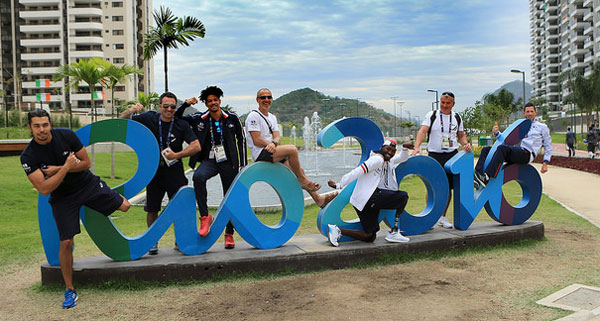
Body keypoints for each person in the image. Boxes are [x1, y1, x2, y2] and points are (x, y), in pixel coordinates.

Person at [21, 109, 131, 309]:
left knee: (125, 206)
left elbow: (86, 163)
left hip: (87, 185)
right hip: (62, 197)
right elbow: (45, 189)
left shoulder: (67, 136)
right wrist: (64, 167)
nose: (42, 130)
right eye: (36, 126)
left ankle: (109, 192)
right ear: (29, 128)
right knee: (66, 242)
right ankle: (70, 289)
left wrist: (57, 169)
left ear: (50, 124)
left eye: (45, 125)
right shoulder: (28, 156)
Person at [120, 92, 200, 254]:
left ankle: (180, 240)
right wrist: (133, 109)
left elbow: (196, 146)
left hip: (175, 172)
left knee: (179, 207)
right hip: (154, 172)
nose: (169, 109)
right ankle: (153, 241)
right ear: (159, 106)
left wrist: (177, 155)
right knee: (152, 208)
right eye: (166, 106)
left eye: (172, 107)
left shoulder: (181, 125)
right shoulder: (149, 118)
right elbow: (122, 120)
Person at [175, 86, 246, 249]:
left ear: (220, 101)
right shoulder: (200, 118)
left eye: (215, 100)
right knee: (198, 177)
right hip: (210, 160)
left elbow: (241, 139)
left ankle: (229, 233)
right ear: (206, 104)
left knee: (228, 196)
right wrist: (185, 104)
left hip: (229, 162)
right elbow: (178, 118)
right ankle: (205, 217)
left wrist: (242, 164)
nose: (213, 103)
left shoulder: (231, 117)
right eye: (209, 101)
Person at [245, 88, 337, 207]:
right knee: (292, 149)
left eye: (269, 97)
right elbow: (256, 140)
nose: (266, 100)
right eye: (263, 97)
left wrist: (274, 143)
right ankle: (302, 180)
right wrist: (270, 144)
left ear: (272, 99)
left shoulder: (272, 117)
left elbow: (277, 137)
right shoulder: (253, 116)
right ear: (257, 100)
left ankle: (318, 199)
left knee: (299, 171)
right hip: (261, 152)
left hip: (273, 150)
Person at [326, 140, 413, 246]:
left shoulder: (388, 160)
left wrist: (404, 148)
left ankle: (336, 230)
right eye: (388, 149)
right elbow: (358, 171)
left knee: (370, 236)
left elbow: (402, 158)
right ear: (382, 147)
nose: (390, 152)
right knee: (403, 196)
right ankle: (394, 231)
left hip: (363, 203)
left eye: (393, 151)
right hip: (368, 198)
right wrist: (339, 185)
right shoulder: (377, 159)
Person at [411, 92, 472, 229]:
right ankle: (430, 217)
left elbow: (461, 135)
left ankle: (442, 217)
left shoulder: (457, 117)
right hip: (435, 155)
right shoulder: (432, 115)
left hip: (452, 156)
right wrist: (417, 147)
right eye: (442, 102)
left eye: (448, 103)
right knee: (433, 187)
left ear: (453, 104)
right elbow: (422, 131)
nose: (444, 105)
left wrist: (465, 144)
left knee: (448, 188)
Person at [474, 102, 552, 186]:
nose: (530, 113)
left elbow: (548, 145)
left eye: (531, 111)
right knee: (486, 150)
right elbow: (508, 139)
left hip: (527, 153)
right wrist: (497, 133)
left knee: (502, 149)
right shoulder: (520, 125)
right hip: (514, 151)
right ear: (524, 113)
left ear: (535, 112)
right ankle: (477, 174)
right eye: (527, 111)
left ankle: (487, 177)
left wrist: (545, 163)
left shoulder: (542, 127)